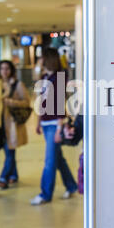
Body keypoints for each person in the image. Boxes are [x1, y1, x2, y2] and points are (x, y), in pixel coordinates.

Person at [31, 48, 78, 205]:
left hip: (54, 125)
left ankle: (45, 194)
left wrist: (59, 129)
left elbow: (59, 104)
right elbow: (41, 101)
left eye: (42, 58)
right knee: (58, 159)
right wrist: (38, 122)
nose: (40, 61)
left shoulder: (59, 78)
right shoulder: (45, 77)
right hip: (45, 123)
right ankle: (71, 186)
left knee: (50, 161)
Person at [0, 60, 30, 189]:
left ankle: (4, 178)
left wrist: (10, 102)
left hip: (12, 124)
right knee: (8, 151)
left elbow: (26, 102)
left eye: (7, 68)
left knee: (10, 151)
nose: (4, 71)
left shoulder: (18, 84)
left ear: (11, 70)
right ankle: (14, 175)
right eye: (2, 68)